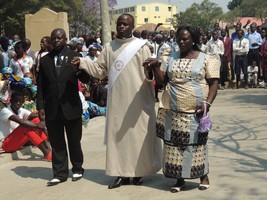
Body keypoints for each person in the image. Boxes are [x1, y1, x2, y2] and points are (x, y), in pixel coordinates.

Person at [71, 13, 162, 189]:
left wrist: (151, 71)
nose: (121, 27)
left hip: (139, 98)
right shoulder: (109, 47)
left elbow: (149, 75)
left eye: (125, 24)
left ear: (132, 27)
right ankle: (121, 174)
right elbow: (99, 70)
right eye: (119, 24)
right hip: (118, 101)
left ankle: (137, 173)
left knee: (138, 137)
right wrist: (82, 62)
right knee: (118, 138)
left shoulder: (141, 47)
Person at [143, 25, 220, 193]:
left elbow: (214, 83)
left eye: (185, 39)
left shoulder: (206, 58)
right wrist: (156, 66)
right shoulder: (171, 58)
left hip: (196, 109)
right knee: (174, 144)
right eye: (179, 39)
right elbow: (162, 81)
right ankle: (180, 178)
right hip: (172, 108)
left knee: (197, 143)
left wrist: (207, 104)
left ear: (194, 40)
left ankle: (203, 175)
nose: (181, 42)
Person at [37, 28, 89, 186]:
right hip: (52, 107)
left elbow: (86, 77)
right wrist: (40, 106)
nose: (57, 40)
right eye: (54, 38)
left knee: (74, 140)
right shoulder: (45, 60)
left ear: (65, 39)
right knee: (57, 141)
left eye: (60, 38)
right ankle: (59, 173)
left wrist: (78, 71)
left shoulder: (75, 56)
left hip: (71, 106)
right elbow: (41, 86)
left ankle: (78, 169)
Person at [0, 92, 51, 161]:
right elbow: (21, 122)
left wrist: (42, 121)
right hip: (6, 144)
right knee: (24, 126)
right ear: (11, 100)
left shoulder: (20, 110)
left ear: (22, 102)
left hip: (17, 141)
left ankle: (48, 148)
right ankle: (46, 153)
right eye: (16, 101)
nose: (18, 103)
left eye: (20, 102)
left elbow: (37, 116)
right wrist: (38, 126)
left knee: (36, 120)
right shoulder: (5, 111)